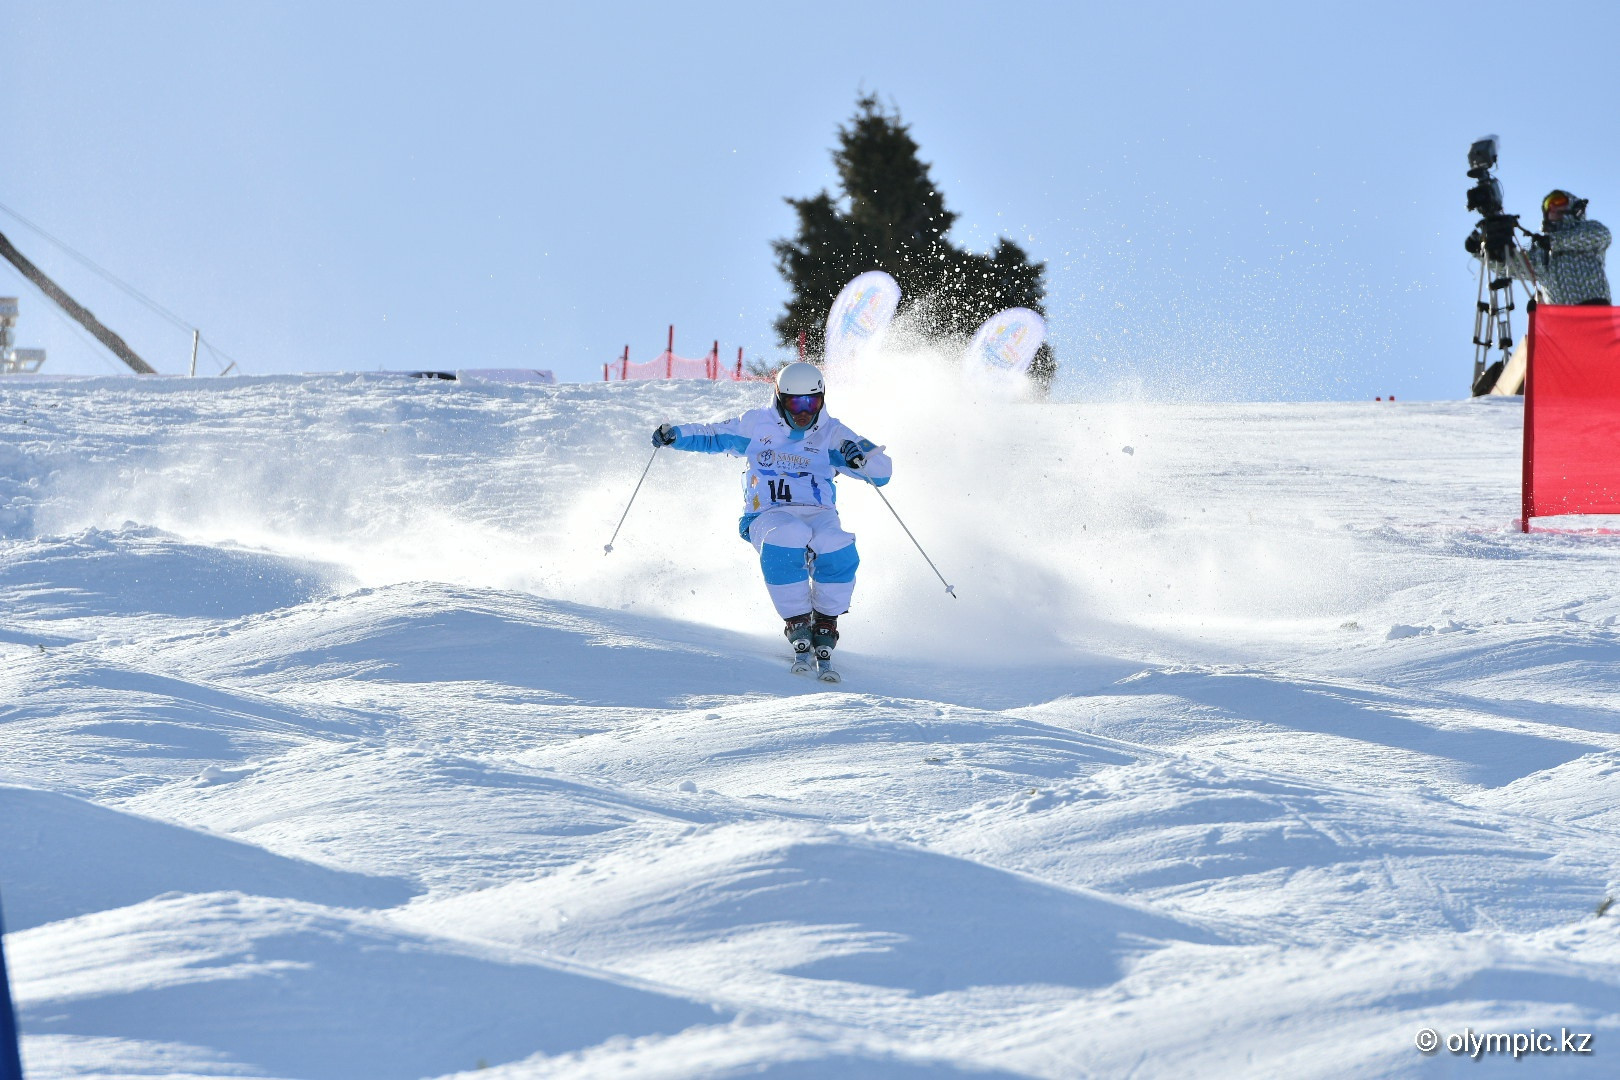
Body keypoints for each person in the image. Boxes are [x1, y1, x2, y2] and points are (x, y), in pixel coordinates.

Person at [652, 362, 892, 680]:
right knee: (788, 534)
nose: (803, 411)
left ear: (822, 399)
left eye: (812, 402)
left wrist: (855, 452)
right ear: (780, 398)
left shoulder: (832, 432)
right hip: (768, 514)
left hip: (819, 513)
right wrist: (676, 435)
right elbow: (713, 436)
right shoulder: (757, 424)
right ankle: (796, 620)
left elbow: (883, 473)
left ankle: (825, 621)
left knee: (838, 544)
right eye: (795, 402)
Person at [1469, 190, 1611, 394]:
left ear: (1573, 206)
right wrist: (1484, 253)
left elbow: (1600, 236)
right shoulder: (1541, 251)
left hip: (1594, 314)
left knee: (1597, 366)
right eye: (1548, 206)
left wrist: (1553, 242)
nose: (1553, 207)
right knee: (1573, 373)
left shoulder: (1589, 230)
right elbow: (1515, 266)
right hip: (1564, 324)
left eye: (1558, 201)